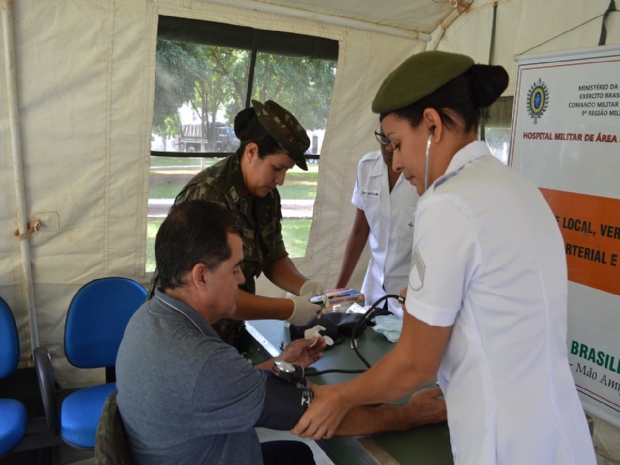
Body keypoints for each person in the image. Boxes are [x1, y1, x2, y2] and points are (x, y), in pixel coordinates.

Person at [292, 51, 597, 465]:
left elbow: (416, 364)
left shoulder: (447, 202)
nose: (396, 163)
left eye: (398, 144)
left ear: (433, 125)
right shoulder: (517, 186)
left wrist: (340, 396)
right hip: (559, 436)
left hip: (501, 443)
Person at [117, 200, 447, 465]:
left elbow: (212, 391)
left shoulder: (147, 319)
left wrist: (277, 363)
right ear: (200, 276)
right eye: (234, 269)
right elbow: (315, 414)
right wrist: (408, 414)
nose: (242, 280)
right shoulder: (200, 364)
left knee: (297, 456)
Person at [149, 100, 326, 345]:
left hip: (226, 334)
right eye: (277, 168)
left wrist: (304, 286)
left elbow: (273, 257)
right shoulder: (209, 197)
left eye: (286, 170)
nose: (281, 180)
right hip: (186, 337)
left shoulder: (266, 196)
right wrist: (287, 309)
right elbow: (213, 292)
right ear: (252, 151)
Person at [335, 133, 419, 318]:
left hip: (410, 293)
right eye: (383, 138)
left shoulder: (423, 174)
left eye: (395, 142)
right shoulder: (367, 166)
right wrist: (338, 290)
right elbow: (359, 232)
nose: (388, 147)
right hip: (375, 289)